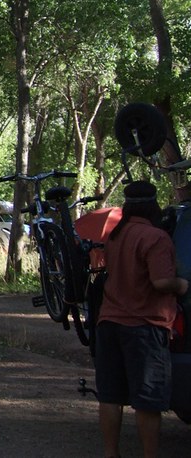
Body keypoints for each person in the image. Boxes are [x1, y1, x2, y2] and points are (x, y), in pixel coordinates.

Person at [95, 181, 189, 458]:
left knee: (110, 396)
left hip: (109, 323)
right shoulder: (155, 237)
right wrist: (181, 285)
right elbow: (160, 282)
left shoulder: (116, 235)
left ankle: (111, 453)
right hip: (144, 327)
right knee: (148, 400)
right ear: (153, 204)